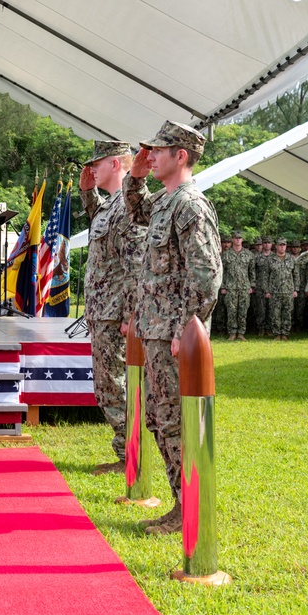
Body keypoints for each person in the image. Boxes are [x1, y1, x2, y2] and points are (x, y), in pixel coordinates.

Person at [123, 121, 222, 536]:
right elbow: (136, 209)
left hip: (174, 335)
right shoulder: (166, 202)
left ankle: (190, 509)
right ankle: (182, 503)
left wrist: (188, 330)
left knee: (175, 422)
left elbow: (207, 276)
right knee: (161, 420)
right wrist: (135, 175)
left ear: (181, 156)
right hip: (156, 331)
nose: (152, 156)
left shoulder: (190, 205)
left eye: (159, 151)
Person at [79, 140, 147, 474]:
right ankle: (127, 452)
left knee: (118, 385)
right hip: (102, 311)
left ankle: (131, 457)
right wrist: (87, 193)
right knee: (108, 385)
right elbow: (99, 223)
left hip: (117, 313)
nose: (91, 169)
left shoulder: (129, 207)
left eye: (97, 163)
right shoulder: (111, 206)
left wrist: (130, 315)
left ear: (117, 165)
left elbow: (136, 265)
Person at [221, 230, 254, 340]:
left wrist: (252, 286)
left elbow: (252, 272)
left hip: (244, 287)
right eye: (235, 238)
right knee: (231, 311)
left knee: (243, 311)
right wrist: (223, 286)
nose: (237, 240)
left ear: (242, 239)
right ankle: (232, 332)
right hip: (230, 287)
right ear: (232, 240)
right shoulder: (225, 255)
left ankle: (241, 332)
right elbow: (223, 272)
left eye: (239, 238)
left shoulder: (249, 255)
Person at [266, 237, 297, 340]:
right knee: (275, 313)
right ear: (276, 246)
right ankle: (277, 334)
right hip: (274, 291)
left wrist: (295, 289)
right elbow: (266, 276)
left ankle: (285, 333)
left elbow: (296, 275)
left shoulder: (292, 259)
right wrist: (267, 290)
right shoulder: (270, 259)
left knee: (287, 313)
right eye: (280, 245)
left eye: (284, 245)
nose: (282, 247)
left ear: (286, 246)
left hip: (288, 291)